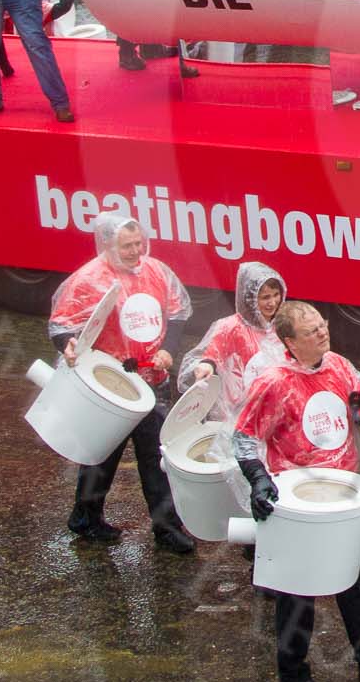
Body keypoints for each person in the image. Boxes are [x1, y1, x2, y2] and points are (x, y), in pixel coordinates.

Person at [234, 300, 360, 682]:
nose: (322, 332)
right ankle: (293, 671)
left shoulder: (336, 364)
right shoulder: (273, 382)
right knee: (297, 589)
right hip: (298, 501)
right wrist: (258, 479)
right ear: (289, 342)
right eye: (311, 330)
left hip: (342, 495)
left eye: (323, 324)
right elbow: (244, 437)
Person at [46, 213, 196, 551]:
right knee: (102, 452)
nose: (134, 251)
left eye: (138, 243)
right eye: (126, 245)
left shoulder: (156, 271)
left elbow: (177, 312)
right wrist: (68, 344)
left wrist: (168, 351)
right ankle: (86, 516)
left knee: (156, 456)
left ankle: (167, 527)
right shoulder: (90, 279)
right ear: (106, 244)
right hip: (111, 384)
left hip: (152, 379)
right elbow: (62, 324)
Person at [179, 260, 285, 413]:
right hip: (239, 408)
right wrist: (207, 366)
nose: (273, 302)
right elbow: (212, 355)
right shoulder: (231, 326)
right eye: (265, 297)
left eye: (276, 295)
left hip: (274, 404)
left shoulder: (281, 323)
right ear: (250, 299)